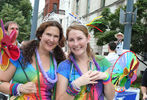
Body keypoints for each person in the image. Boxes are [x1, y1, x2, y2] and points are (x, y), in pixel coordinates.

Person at [0, 20, 66, 100]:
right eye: (48, 34)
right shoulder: (20, 54)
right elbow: (1, 82)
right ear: (40, 35)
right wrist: (19, 88)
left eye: (56, 36)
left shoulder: (58, 60)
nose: (51, 39)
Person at [56, 24, 115, 100]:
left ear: (88, 38)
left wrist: (106, 78)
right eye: (71, 40)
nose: (76, 44)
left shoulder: (102, 62)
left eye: (79, 38)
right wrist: (75, 85)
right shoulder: (64, 66)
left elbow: (110, 97)